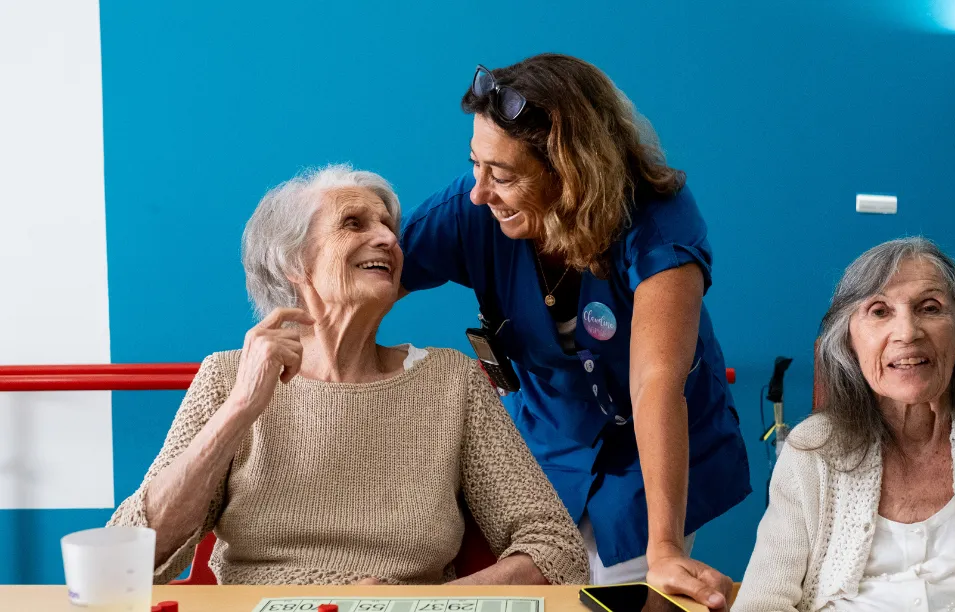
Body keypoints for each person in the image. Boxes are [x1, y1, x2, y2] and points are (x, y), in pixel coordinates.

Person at [107, 164, 589, 586]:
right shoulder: (227, 376)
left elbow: (556, 548)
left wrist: (422, 608)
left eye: (387, 226)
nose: (387, 239)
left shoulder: (451, 382)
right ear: (296, 262)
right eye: (353, 224)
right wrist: (238, 410)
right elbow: (124, 559)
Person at [399, 53, 750, 607]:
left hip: (650, 455)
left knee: (620, 591)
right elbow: (367, 273)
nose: (479, 191)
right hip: (549, 441)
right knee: (533, 586)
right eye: (475, 163)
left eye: (505, 175)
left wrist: (664, 548)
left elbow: (657, 380)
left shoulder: (659, 219)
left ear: (570, 172)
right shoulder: (474, 210)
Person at [733, 237, 955, 611]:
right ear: (850, 342)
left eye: (930, 307)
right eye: (879, 311)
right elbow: (762, 601)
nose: (907, 333)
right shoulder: (813, 449)